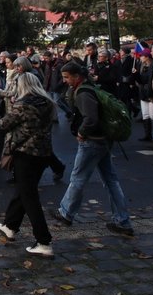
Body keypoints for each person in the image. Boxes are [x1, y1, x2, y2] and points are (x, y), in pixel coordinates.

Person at [52, 61, 135, 237]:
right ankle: (123, 220)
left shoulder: (83, 93)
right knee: (110, 180)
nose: (65, 81)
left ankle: (66, 213)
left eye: (67, 77)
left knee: (78, 178)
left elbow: (91, 118)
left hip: (92, 141)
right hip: (103, 140)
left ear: (76, 76)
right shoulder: (89, 87)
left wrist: (82, 132)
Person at [0, 71, 55, 257]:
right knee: (23, 190)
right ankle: (10, 225)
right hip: (43, 152)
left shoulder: (23, 105)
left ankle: (43, 241)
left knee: (29, 196)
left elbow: (4, 124)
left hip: (25, 152)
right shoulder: (47, 103)